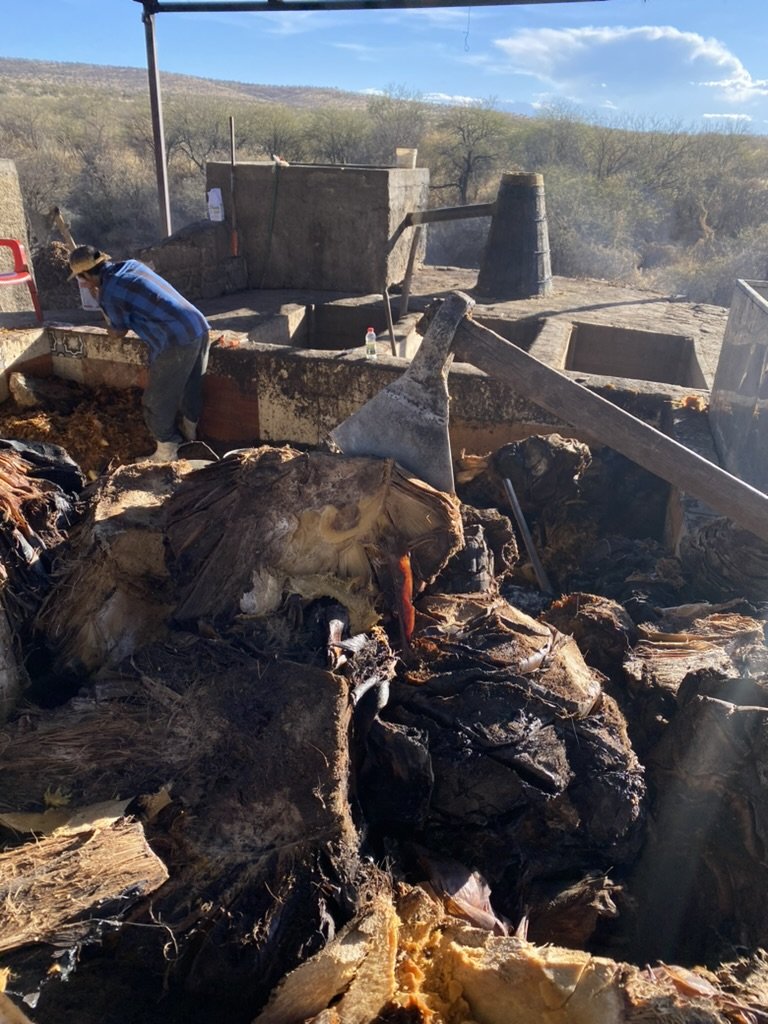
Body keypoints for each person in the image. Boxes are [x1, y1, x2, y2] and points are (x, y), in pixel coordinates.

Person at [67, 245, 211, 463]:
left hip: (175, 339)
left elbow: (117, 333)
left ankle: (167, 451)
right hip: (197, 325)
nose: (83, 284)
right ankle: (191, 436)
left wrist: (101, 302)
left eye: (81, 279)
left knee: (155, 401)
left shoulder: (109, 294)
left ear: (85, 276)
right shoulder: (131, 265)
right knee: (190, 387)